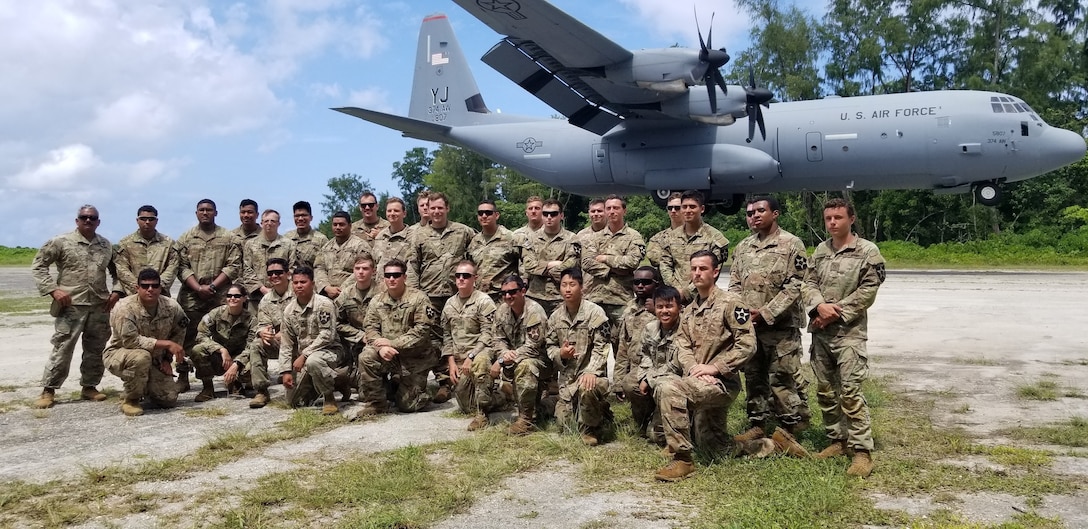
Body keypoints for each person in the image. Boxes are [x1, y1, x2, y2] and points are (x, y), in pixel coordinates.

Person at [653, 250, 805, 482]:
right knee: (715, 448)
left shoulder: (732, 304)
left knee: (668, 388)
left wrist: (715, 368)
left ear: (715, 272)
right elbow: (681, 346)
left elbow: (747, 344)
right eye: (693, 269)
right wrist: (695, 369)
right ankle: (773, 444)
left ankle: (682, 459)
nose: (697, 273)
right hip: (698, 380)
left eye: (703, 268)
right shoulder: (690, 311)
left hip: (722, 383)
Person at [802, 198, 886, 478]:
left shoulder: (867, 252)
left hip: (849, 334)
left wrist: (835, 312)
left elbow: (869, 289)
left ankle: (861, 451)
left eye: (838, 217)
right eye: (828, 218)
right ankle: (837, 440)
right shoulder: (821, 251)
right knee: (826, 391)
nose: (832, 223)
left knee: (850, 393)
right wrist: (818, 306)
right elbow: (808, 282)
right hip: (821, 333)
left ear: (852, 219)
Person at [728, 195, 811, 443]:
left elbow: (795, 285)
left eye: (760, 211)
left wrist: (765, 313)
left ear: (775, 214)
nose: (754, 216)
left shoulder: (792, 244)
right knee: (754, 377)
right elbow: (734, 284)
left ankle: (789, 428)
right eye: (750, 212)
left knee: (782, 378)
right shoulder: (742, 247)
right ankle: (757, 424)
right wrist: (741, 315)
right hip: (750, 327)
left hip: (781, 327)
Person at [31, 204, 121, 408]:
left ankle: (89, 387)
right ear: (77, 220)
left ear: (98, 221)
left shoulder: (106, 245)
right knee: (63, 347)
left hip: (99, 306)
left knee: (95, 348)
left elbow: (119, 272)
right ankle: (49, 389)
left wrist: (116, 292)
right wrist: (53, 290)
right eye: (84, 217)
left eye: (92, 218)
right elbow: (39, 266)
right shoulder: (61, 242)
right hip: (71, 305)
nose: (88, 221)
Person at [408, 191, 475, 403]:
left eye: (440, 208)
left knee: (460, 336)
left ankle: (468, 379)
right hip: (430, 296)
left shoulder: (463, 232)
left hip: (457, 295)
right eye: (432, 208)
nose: (436, 211)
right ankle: (444, 382)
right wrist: (415, 293)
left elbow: (475, 257)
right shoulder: (418, 235)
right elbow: (413, 266)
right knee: (435, 339)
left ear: (447, 208)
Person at [175, 199, 243, 393]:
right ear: (196, 213)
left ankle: (231, 378)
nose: (205, 213)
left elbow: (233, 265)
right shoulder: (185, 238)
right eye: (201, 210)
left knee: (224, 335)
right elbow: (181, 266)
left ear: (216, 213)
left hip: (220, 294)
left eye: (209, 210)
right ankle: (183, 376)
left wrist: (212, 286)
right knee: (187, 336)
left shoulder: (228, 237)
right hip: (191, 295)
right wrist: (198, 288)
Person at [355, 259, 438, 416]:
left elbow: (422, 330)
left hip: (415, 359)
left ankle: (430, 387)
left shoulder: (419, 298)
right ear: (384, 278)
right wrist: (380, 348)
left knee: (407, 405)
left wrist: (392, 343)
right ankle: (376, 404)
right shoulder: (377, 300)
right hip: (389, 355)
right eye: (388, 275)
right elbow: (370, 328)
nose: (392, 279)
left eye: (396, 275)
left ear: (404, 277)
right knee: (366, 356)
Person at [103, 269, 187, 416]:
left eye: (155, 286)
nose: (150, 290)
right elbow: (131, 341)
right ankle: (131, 399)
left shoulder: (172, 306)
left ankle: (144, 387)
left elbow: (180, 330)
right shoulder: (124, 307)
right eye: (145, 286)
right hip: (121, 354)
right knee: (141, 357)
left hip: (155, 358)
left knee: (168, 399)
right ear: (137, 288)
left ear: (160, 288)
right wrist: (167, 344)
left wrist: (167, 359)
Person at [546, 268, 611, 446]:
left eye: (572, 285)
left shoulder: (595, 313)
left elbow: (602, 347)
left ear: (581, 287)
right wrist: (560, 353)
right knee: (564, 426)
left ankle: (591, 429)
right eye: (564, 285)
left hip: (591, 376)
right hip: (568, 381)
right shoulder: (555, 317)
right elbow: (549, 346)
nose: (568, 289)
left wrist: (592, 371)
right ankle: (590, 411)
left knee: (588, 388)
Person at [440, 261, 503, 430]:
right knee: (465, 404)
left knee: (481, 361)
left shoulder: (484, 301)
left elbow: (488, 334)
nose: (461, 279)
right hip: (460, 358)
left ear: (474, 278)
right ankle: (502, 394)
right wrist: (451, 362)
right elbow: (446, 336)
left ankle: (482, 415)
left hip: (481, 352)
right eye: (458, 276)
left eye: (466, 276)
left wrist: (471, 356)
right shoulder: (449, 304)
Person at [277, 266, 343, 415]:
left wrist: (305, 355)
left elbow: (327, 335)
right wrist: (286, 371)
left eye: (303, 282)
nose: (299, 286)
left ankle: (329, 397)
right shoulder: (289, 310)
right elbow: (286, 342)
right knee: (293, 402)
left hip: (330, 351)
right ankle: (332, 382)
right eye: (295, 283)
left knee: (314, 361)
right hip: (304, 358)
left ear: (312, 284)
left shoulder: (324, 304)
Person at [491, 274, 551, 435]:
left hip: (540, 362)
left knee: (526, 365)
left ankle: (525, 420)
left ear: (523, 291)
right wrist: (504, 353)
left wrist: (504, 359)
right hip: (513, 361)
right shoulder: (501, 311)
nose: (507, 296)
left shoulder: (534, 311)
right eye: (503, 293)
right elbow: (497, 339)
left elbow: (533, 347)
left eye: (512, 292)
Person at [580, 194, 646, 338]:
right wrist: (613, 270)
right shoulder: (593, 237)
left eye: (616, 208)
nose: (612, 212)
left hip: (621, 299)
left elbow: (632, 262)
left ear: (624, 211)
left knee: (623, 343)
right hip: (595, 298)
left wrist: (605, 258)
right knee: (594, 343)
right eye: (608, 208)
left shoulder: (634, 237)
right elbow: (586, 263)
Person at [634, 285, 684, 445]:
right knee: (630, 383)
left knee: (657, 437)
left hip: (676, 379)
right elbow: (646, 354)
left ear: (679, 307)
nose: (664, 311)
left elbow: (676, 365)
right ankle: (646, 419)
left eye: (669, 306)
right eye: (660, 307)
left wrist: (649, 379)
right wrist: (644, 375)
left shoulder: (685, 329)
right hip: (655, 374)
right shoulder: (650, 328)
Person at [659, 190, 730, 300]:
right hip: (676, 299)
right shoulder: (670, 238)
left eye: (692, 207)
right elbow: (665, 266)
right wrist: (676, 291)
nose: (687, 210)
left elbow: (714, 271)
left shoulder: (715, 238)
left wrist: (686, 293)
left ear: (702, 209)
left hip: (703, 298)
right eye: (684, 207)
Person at [614, 266, 660, 435]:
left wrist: (656, 310)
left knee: (657, 435)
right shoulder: (629, 308)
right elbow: (623, 347)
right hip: (636, 371)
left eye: (646, 282)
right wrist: (618, 382)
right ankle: (643, 422)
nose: (640, 285)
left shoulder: (665, 306)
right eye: (636, 282)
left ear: (656, 284)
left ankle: (659, 417)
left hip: (659, 369)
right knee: (629, 384)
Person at [190, 283, 255, 401]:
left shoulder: (251, 319)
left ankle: (236, 384)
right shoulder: (215, 314)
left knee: (251, 368)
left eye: (237, 296)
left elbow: (252, 345)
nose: (232, 298)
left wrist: (237, 364)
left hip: (240, 358)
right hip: (219, 357)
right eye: (229, 295)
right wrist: (220, 349)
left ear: (244, 298)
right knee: (197, 350)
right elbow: (201, 335)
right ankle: (208, 389)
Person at [243, 258, 294, 408]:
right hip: (279, 343)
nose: (274, 276)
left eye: (278, 272)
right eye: (270, 273)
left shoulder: (299, 291)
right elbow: (262, 324)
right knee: (257, 345)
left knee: (298, 400)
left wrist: (284, 333)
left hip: (300, 345)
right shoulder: (266, 300)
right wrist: (264, 333)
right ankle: (261, 391)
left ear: (288, 274)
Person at [330, 253, 380, 401]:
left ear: (374, 271)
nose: (361, 272)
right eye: (357, 268)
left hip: (379, 341)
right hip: (355, 344)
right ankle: (349, 380)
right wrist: (359, 336)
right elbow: (335, 322)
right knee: (365, 395)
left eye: (365, 268)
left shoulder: (383, 292)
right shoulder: (346, 294)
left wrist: (373, 337)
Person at [522, 198, 580, 315]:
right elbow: (528, 265)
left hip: (560, 297)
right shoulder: (530, 239)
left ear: (561, 216)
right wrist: (551, 264)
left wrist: (540, 268)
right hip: (535, 296)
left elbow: (571, 266)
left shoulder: (572, 239)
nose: (549, 217)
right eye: (545, 214)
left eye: (553, 214)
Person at [114, 205, 179, 297]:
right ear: (137, 220)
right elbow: (121, 268)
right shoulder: (125, 243)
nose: (147, 222)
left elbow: (173, 267)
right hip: (133, 296)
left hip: (161, 296)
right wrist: (139, 288)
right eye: (143, 219)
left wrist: (157, 286)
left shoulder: (169, 244)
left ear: (156, 221)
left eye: (151, 219)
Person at [240, 209, 297, 311]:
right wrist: (262, 289)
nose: (269, 224)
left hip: (283, 297)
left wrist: (278, 289)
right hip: (256, 298)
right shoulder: (250, 244)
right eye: (266, 221)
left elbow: (292, 269)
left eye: (273, 221)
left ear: (279, 223)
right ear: (261, 223)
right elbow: (247, 270)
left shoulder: (289, 244)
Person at [469, 200, 521, 300]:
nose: (484, 216)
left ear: (496, 215)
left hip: (504, 297)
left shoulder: (511, 238)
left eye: (488, 213)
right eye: (480, 213)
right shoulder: (474, 241)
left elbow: (522, 266)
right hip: (480, 297)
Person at [314, 211, 373, 300]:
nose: (338, 227)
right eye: (335, 224)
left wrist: (342, 289)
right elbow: (319, 268)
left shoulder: (360, 246)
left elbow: (364, 270)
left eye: (341, 224)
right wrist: (326, 287)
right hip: (327, 295)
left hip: (353, 295)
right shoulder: (326, 247)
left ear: (350, 226)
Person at [574, 198, 607, 294]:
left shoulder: (614, 234)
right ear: (589, 213)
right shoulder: (580, 236)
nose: (596, 214)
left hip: (611, 289)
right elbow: (576, 264)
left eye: (600, 211)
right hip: (587, 290)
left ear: (606, 212)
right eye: (593, 211)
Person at [284, 201, 328, 270]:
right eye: (297, 216)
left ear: (311, 217)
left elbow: (326, 265)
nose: (300, 219)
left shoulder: (321, 240)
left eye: (304, 215)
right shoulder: (286, 238)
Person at [645, 192, 683, 272]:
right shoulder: (657, 238)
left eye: (677, 208)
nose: (673, 211)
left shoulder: (695, 235)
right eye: (670, 208)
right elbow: (653, 258)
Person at [373, 197, 412, 273]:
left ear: (404, 214)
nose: (392, 213)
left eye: (396, 211)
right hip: (380, 283)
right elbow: (374, 263)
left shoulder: (412, 236)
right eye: (389, 211)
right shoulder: (380, 236)